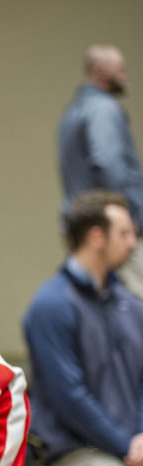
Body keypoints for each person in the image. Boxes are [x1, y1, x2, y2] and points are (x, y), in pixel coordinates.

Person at [23, 189, 143, 466]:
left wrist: (138, 440)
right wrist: (126, 448)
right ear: (96, 237)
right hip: (81, 455)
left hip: (133, 448)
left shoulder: (129, 305)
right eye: (125, 233)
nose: (133, 243)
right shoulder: (51, 305)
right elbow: (68, 396)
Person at [58, 44, 143, 298]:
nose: (125, 77)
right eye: (121, 71)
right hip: (110, 233)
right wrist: (130, 220)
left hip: (83, 229)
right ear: (103, 71)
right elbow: (107, 162)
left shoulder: (72, 113)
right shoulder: (104, 109)